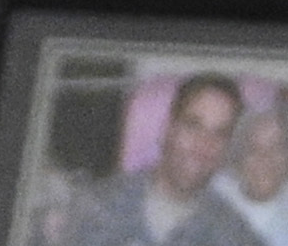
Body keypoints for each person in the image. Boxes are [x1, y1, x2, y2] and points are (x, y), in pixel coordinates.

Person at [71, 75, 259, 246]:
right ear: (168, 128)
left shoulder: (236, 237)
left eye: (219, 134)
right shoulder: (94, 209)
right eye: (193, 125)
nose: (203, 146)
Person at [219, 106, 288, 245]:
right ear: (238, 156)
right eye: (254, 149)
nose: (265, 158)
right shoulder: (214, 195)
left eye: (276, 147)